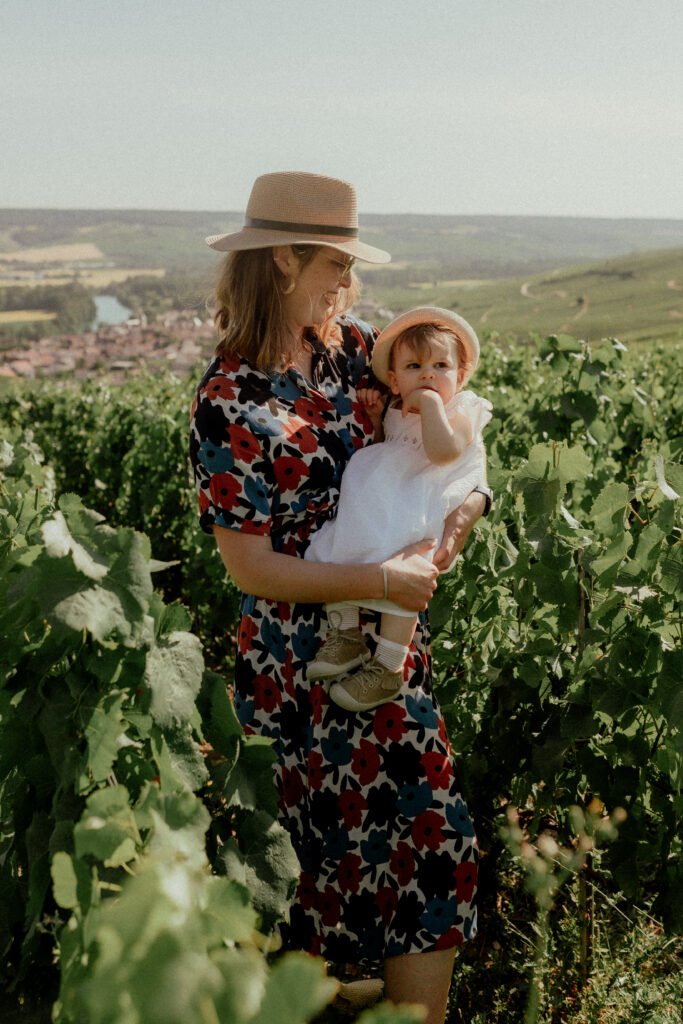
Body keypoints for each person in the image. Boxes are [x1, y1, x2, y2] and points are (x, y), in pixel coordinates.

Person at [189, 171, 491, 1024]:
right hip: (296, 666)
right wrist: (379, 581)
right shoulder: (228, 400)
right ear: (282, 260)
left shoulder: (349, 347)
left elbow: (441, 429)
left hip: (382, 635)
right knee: (316, 861)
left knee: (428, 831)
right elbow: (248, 568)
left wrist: (467, 507)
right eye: (334, 265)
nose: (347, 286)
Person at [305, 307, 492, 713]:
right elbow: (387, 446)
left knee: (406, 560)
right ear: (394, 379)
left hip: (423, 496)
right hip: (385, 489)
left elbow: (442, 453)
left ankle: (390, 664)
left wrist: (429, 408)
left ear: (460, 377)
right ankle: (347, 634)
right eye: (414, 366)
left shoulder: (461, 410)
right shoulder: (394, 404)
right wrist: (377, 419)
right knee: (338, 539)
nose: (428, 375)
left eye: (441, 366)